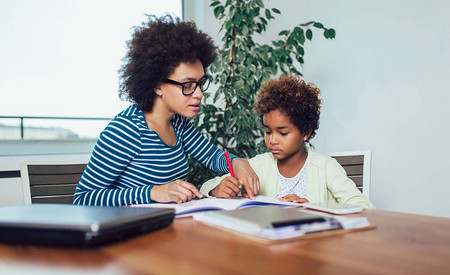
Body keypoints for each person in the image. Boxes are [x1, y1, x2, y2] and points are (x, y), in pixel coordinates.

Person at [74, 14, 259, 206]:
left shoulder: (178, 123)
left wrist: (238, 162)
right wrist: (154, 192)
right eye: (187, 85)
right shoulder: (126, 131)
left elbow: (212, 156)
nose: (199, 94)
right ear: (157, 85)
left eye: (201, 83)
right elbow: (83, 199)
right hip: (135, 231)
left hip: (172, 226)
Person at [200, 74, 375, 209]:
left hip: (315, 248)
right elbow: (205, 187)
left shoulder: (326, 167)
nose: (272, 140)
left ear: (306, 132)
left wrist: (313, 207)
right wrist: (217, 189)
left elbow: (365, 207)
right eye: (268, 131)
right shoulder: (259, 165)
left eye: (283, 133)